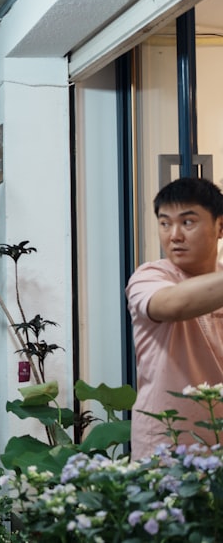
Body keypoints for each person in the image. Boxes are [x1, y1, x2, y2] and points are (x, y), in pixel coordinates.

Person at [126, 176, 223, 459]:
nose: (174, 235)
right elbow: (172, 304)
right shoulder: (150, 276)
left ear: (220, 225)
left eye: (188, 222)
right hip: (166, 448)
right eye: (165, 223)